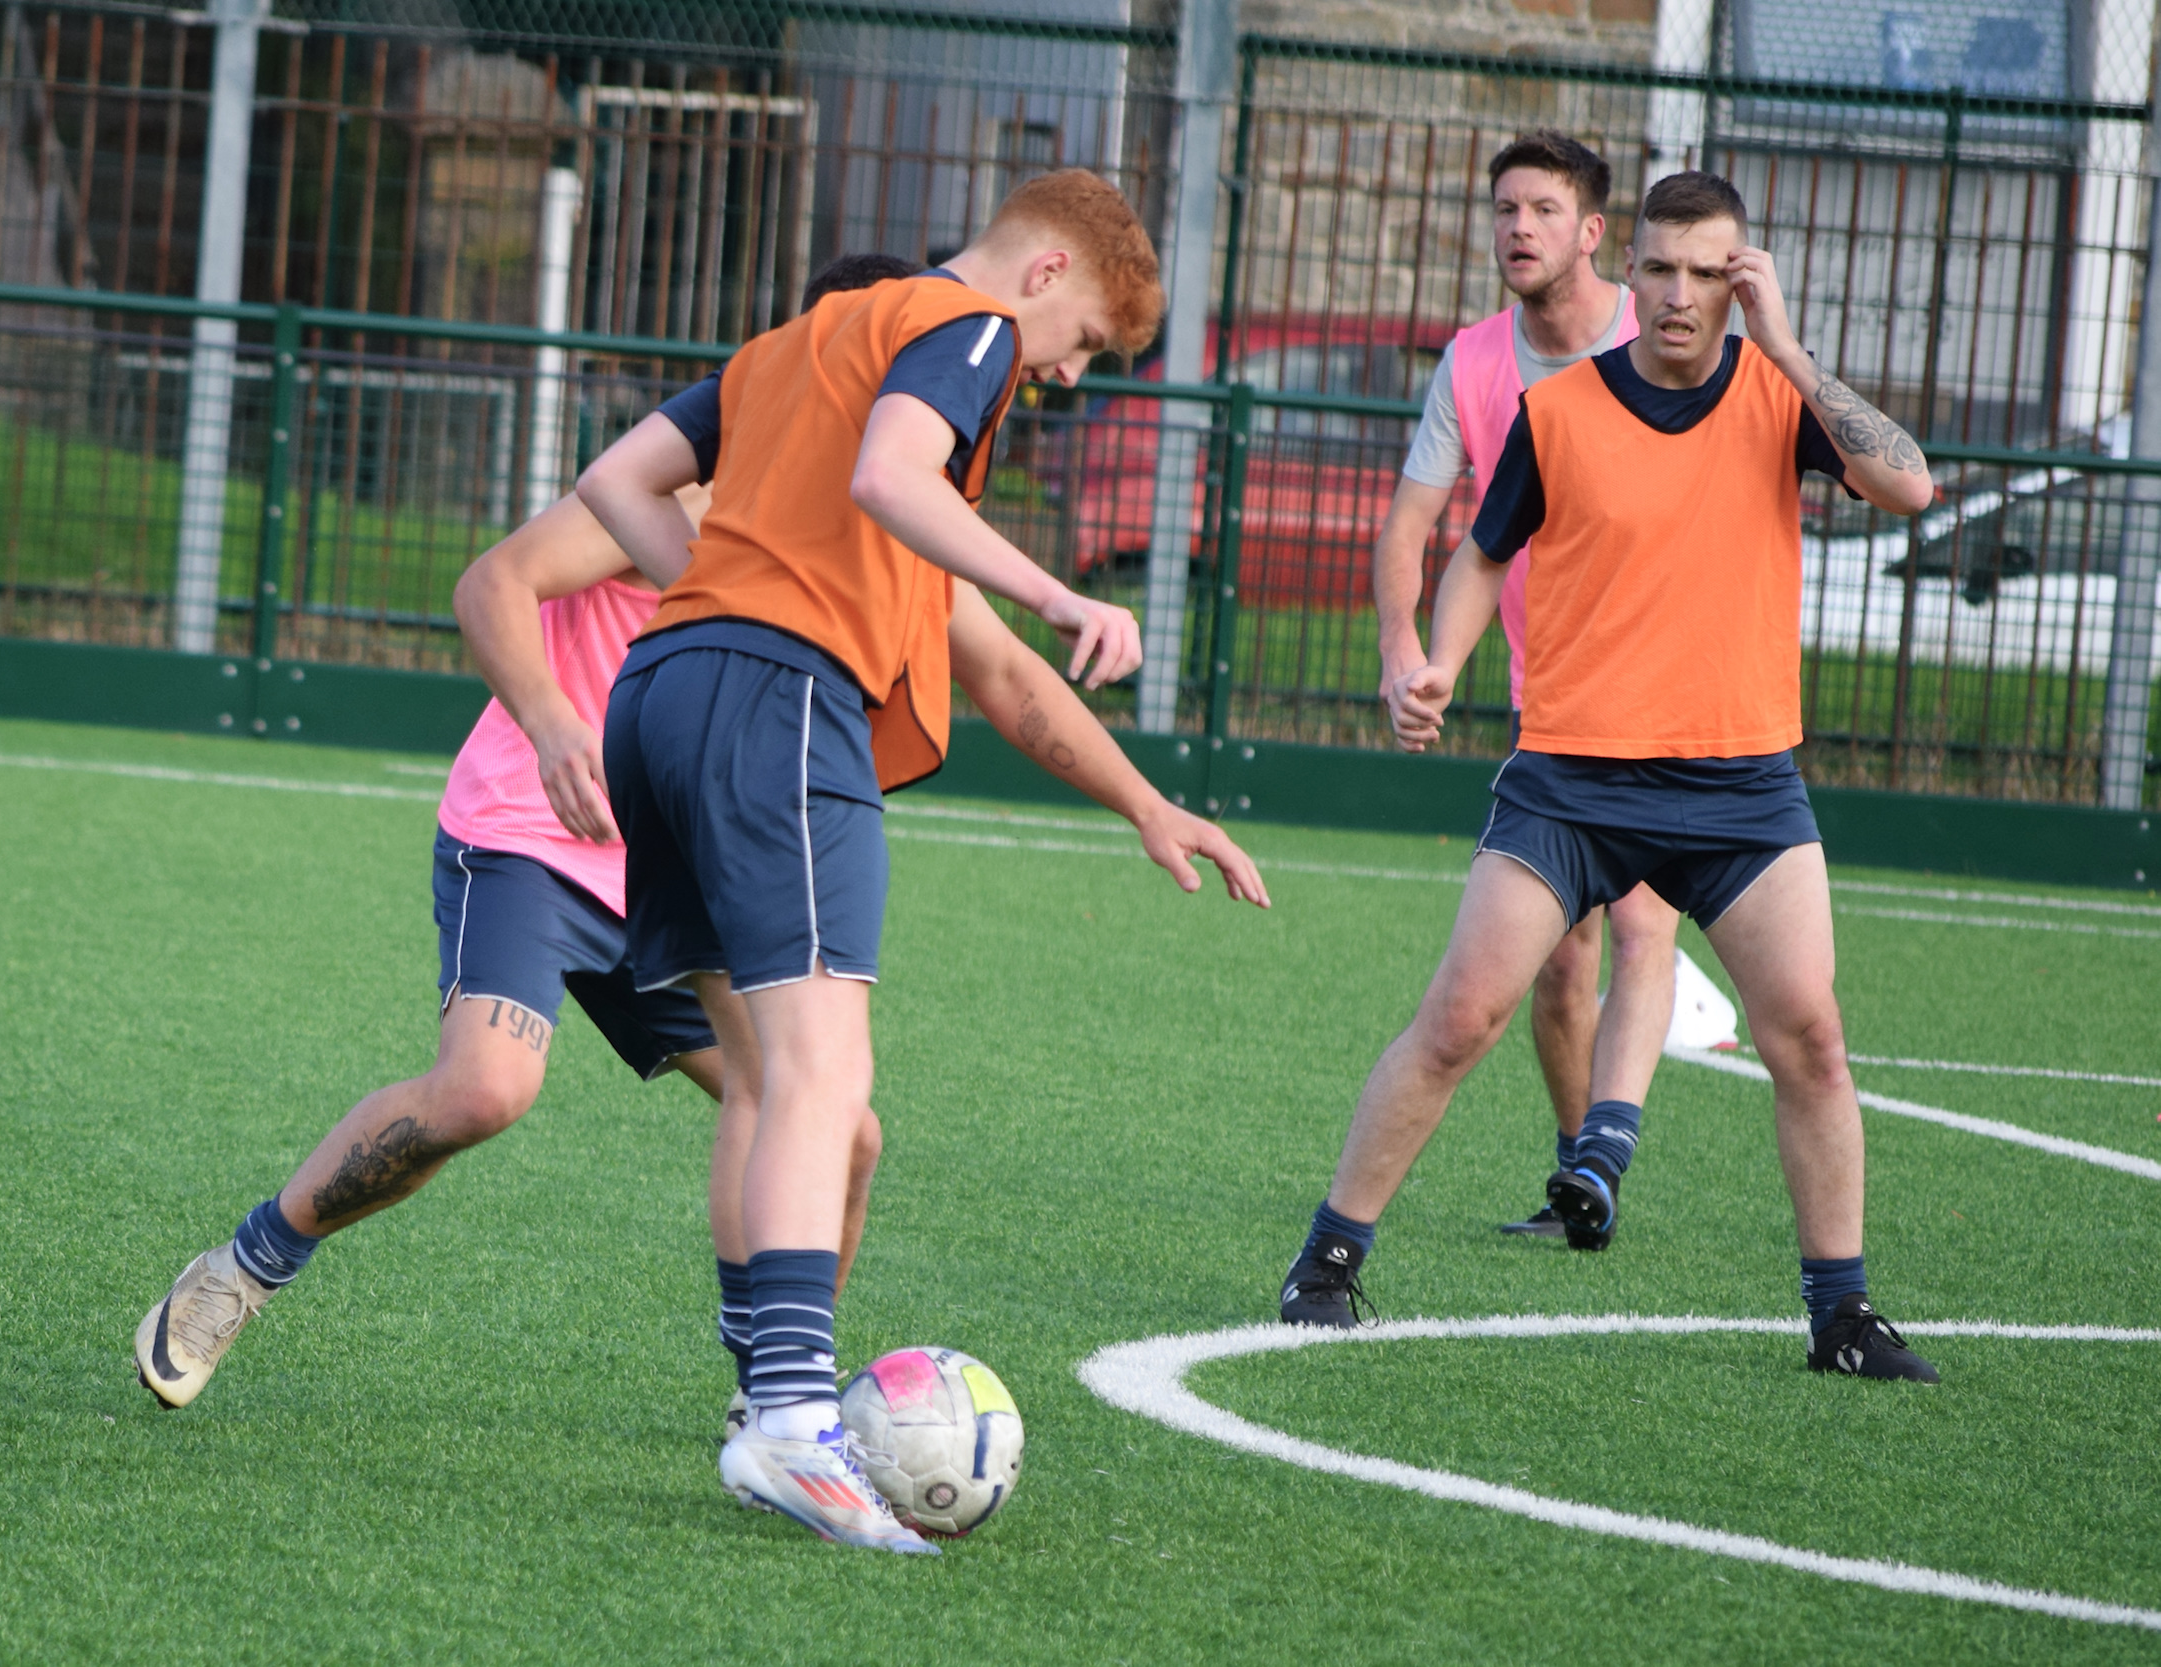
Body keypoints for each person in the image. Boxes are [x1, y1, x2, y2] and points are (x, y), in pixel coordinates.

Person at [578, 169, 1272, 1553]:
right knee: (829, 1074)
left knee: (782, 1077)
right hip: (775, 702)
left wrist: (1147, 802)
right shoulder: (967, 328)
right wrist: (1057, 583)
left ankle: (770, 1406)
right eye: (1081, 347)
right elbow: (895, 474)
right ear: (1046, 272)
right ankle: (786, 1420)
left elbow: (614, 480)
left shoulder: (795, 344)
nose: (1062, 377)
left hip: (662, 693)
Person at [132, 254, 922, 1414]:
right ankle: (245, 1265)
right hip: (536, 835)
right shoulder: (694, 485)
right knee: (486, 1089)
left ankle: (779, 1402)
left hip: (679, 860)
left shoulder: (874, 527)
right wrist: (556, 727)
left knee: (840, 1130)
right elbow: (493, 582)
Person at [1278, 171, 1942, 1384]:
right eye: (1660, 270)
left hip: (1742, 784)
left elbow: (1909, 485)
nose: (1681, 296)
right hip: (1570, 779)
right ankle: (1325, 1260)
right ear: (1624, 272)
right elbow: (1482, 554)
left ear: (1740, 280)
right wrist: (1435, 664)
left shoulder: (1779, 397)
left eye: (1709, 273)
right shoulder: (1561, 409)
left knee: (1811, 1038)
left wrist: (1786, 346)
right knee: (1461, 1018)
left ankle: (1840, 1314)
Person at [1376, 130, 1680, 1245]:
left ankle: (1606, 1143)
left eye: (1543, 210)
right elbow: (1416, 522)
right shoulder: (1472, 363)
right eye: (1504, 208)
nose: (1518, 228)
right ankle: (1579, 1177)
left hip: (1674, 687)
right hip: (1547, 693)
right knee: (1563, 964)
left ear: (1592, 232)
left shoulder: (1661, 337)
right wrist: (1407, 653)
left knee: (1646, 922)